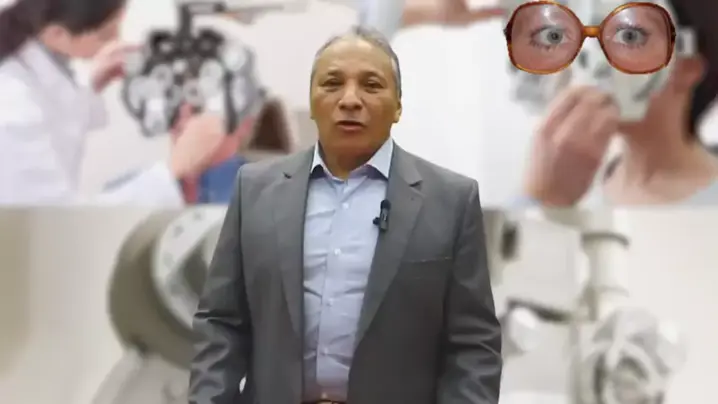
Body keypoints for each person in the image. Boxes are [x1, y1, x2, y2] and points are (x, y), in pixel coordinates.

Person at [189, 26, 502, 404]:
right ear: (312, 99)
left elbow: (473, 345)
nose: (350, 99)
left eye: (371, 85)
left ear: (398, 106)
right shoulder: (255, 189)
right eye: (332, 83)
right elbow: (221, 322)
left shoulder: (451, 200)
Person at [0, 0, 227, 205]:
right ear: (57, 34)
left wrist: (93, 84)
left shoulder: (37, 59)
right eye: (106, 34)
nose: (116, 41)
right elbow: (55, 222)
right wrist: (175, 168)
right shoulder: (12, 105)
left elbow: (56, 119)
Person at [520, 0, 718, 206]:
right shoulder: (576, 181)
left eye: (629, 36)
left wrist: (547, 201)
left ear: (688, 68)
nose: (594, 62)